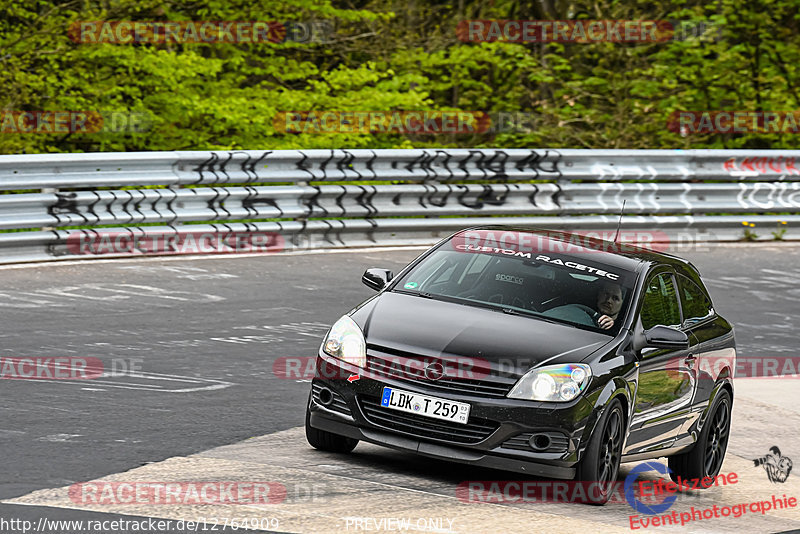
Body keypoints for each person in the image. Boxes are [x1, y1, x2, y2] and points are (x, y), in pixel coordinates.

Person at [541, 281, 623, 330]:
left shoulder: (622, 329)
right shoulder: (578, 312)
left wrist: (613, 326)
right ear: (599, 294)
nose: (608, 300)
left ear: (622, 303)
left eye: (615, 298)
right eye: (606, 294)